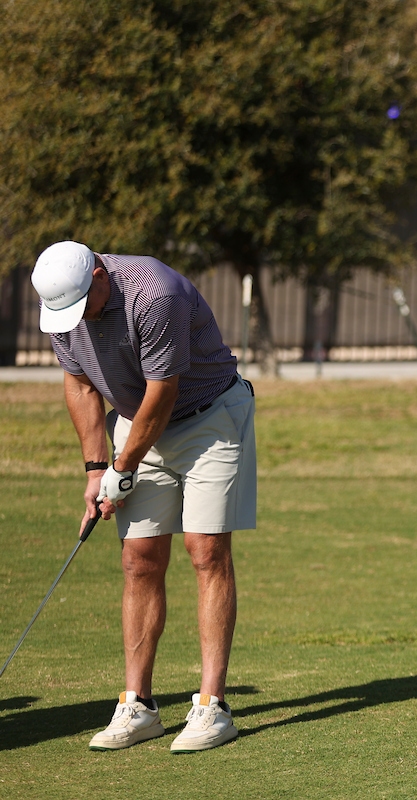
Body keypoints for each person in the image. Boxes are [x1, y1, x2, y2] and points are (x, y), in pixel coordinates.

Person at [30, 241, 255, 753]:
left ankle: (212, 706)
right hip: (136, 425)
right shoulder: (64, 308)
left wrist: (122, 466)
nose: (75, 321)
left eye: (81, 305)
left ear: (99, 276)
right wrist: (95, 471)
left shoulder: (155, 294)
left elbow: (164, 390)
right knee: (139, 559)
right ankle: (138, 704)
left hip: (209, 419)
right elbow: (80, 383)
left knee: (206, 550)